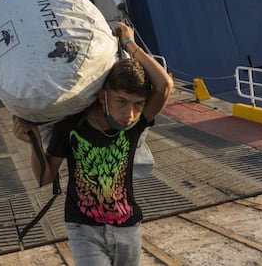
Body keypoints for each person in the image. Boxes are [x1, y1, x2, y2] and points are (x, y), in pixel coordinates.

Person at [13, 22, 174, 266]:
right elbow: (44, 177)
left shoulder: (134, 126)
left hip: (127, 227)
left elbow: (164, 86)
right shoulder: (71, 127)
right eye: (121, 101)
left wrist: (130, 44)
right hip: (83, 226)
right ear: (102, 96)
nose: (129, 113)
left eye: (138, 104)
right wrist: (33, 140)